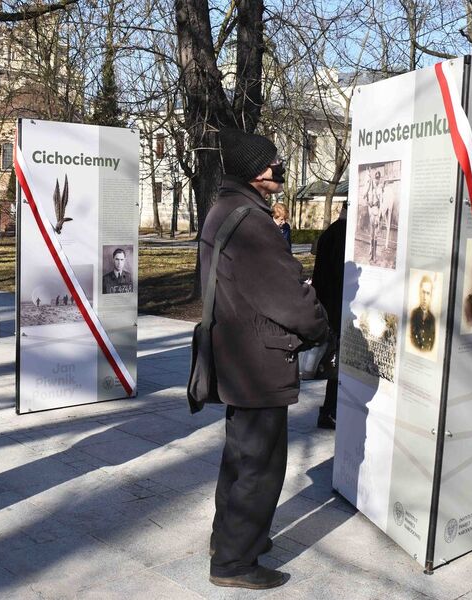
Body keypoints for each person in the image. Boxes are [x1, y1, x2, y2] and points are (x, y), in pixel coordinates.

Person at [201, 128, 330, 590]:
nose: (281, 168)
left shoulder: (223, 209)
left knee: (240, 457)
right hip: (258, 361)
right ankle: (234, 563)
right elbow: (286, 296)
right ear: (258, 171)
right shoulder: (251, 222)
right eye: (274, 162)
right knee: (261, 464)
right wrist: (320, 325)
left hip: (237, 356)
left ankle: (230, 539)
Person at [311, 202, 347, 429]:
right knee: (338, 362)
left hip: (328, 306)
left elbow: (319, 277)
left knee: (334, 360)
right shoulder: (346, 236)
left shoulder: (329, 234)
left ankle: (329, 409)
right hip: (341, 306)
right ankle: (330, 410)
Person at [410, 275, 436, 351]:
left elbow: (431, 345)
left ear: (431, 296)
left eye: (428, 293)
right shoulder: (413, 314)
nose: (425, 297)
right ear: (419, 293)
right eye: (423, 292)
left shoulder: (432, 319)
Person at [365, 170, 384, 262]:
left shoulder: (380, 189)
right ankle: (370, 254)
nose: (377, 179)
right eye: (376, 177)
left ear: (379, 179)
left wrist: (378, 205)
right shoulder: (371, 190)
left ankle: (374, 256)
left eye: (378, 177)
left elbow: (381, 202)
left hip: (377, 212)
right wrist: (369, 203)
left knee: (375, 235)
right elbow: (367, 201)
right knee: (371, 235)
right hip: (371, 212)